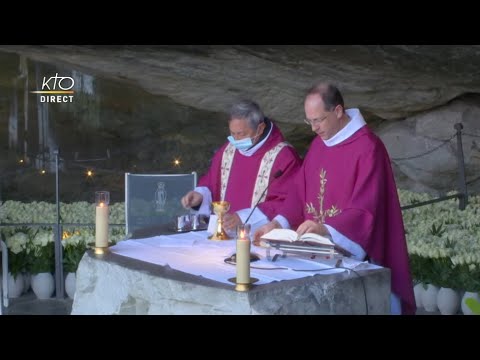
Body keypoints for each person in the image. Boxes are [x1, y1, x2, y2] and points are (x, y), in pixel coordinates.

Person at [254, 83, 416, 315]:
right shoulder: (319, 145)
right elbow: (300, 191)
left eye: (318, 120)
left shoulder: (368, 147)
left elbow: (366, 208)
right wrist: (276, 224)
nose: (313, 128)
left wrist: (326, 229)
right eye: (309, 121)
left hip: (353, 255)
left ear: (338, 111)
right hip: (314, 254)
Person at [181, 99, 302, 235]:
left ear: (260, 128)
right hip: (224, 234)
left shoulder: (284, 157)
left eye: (242, 134)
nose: (237, 140)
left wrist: (244, 218)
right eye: (233, 134)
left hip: (259, 237)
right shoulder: (228, 151)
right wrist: (200, 195)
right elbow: (213, 180)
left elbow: (289, 201)